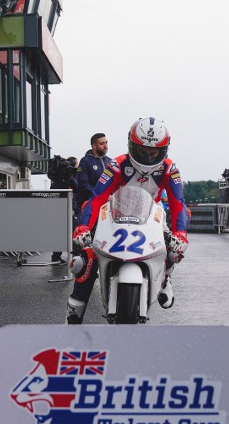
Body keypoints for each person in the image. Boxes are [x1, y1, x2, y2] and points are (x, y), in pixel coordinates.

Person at [66, 117, 189, 324]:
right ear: (132, 145)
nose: (148, 156)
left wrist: (181, 233)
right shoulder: (117, 165)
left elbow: (178, 203)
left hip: (152, 216)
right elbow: (97, 198)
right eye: (142, 151)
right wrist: (83, 227)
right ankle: (75, 308)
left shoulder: (170, 168)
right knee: (85, 258)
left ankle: (166, 274)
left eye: (154, 152)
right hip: (115, 213)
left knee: (175, 250)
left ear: (164, 149)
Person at [48, 155, 78, 262]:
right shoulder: (67, 178)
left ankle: (56, 257)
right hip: (68, 208)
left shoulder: (56, 179)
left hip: (57, 209)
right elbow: (77, 187)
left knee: (59, 232)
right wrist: (70, 178)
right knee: (74, 232)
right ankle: (75, 256)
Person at [75, 133, 112, 210]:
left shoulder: (110, 161)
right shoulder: (85, 161)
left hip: (107, 206)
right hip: (89, 205)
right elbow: (83, 185)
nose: (105, 146)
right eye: (102, 143)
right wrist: (100, 195)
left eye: (106, 143)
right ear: (94, 146)